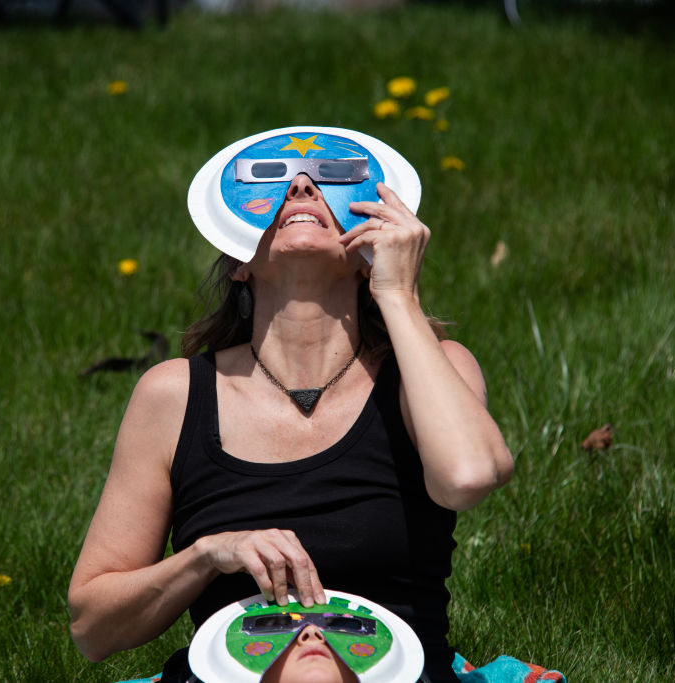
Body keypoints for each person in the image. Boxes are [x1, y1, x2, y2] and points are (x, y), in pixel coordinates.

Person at [68, 127, 514, 683]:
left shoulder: (430, 372)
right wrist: (206, 555)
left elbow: (467, 478)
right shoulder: (174, 396)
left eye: (332, 177)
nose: (302, 184)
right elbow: (92, 627)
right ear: (237, 261)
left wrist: (398, 294)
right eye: (274, 178)